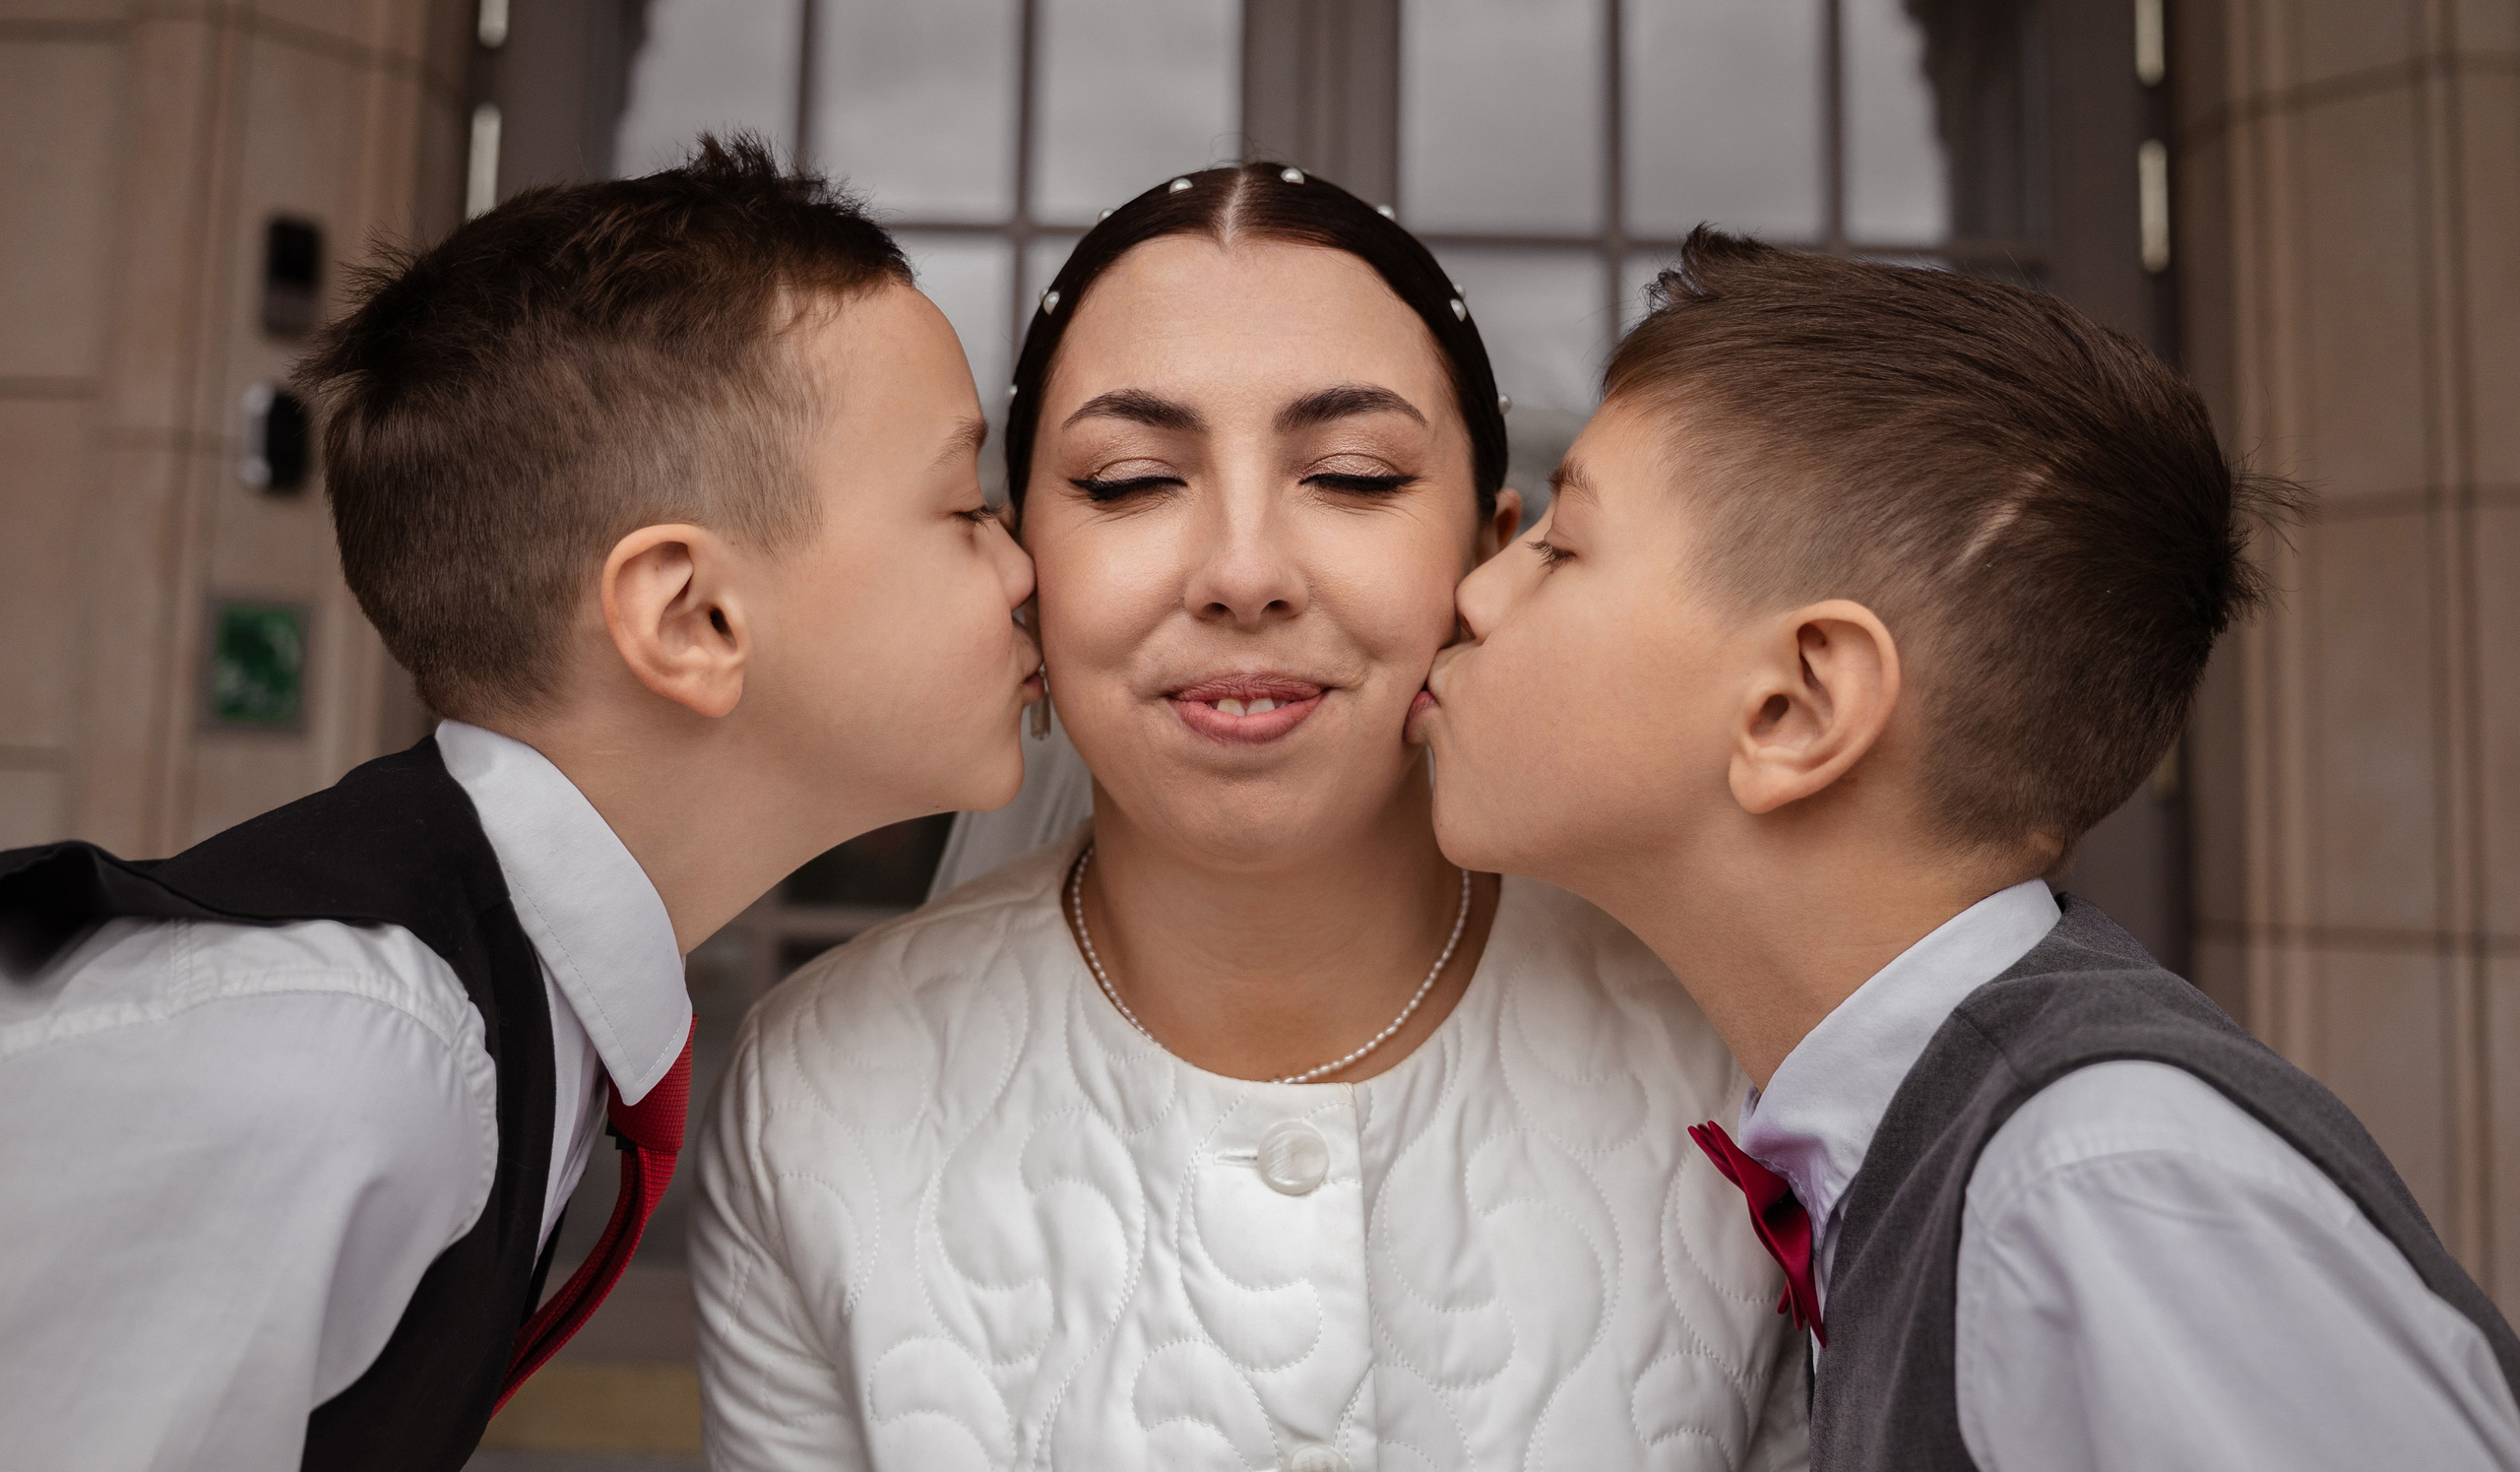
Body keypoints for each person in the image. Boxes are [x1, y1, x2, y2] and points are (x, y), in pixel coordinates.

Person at [692, 164, 1812, 1472]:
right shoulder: (815, 1092)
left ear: (1493, 552)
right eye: (1125, 480)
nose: (1241, 574)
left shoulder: (1733, 1050)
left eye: (1349, 473)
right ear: (1018, 568)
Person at [0, 138, 1040, 1472]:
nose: (1025, 568)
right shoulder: (338, 1058)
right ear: (693, 616)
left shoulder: (472, 1024)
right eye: (964, 506)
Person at [1412, 228, 2520, 1471]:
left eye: (1563, 549)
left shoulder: (2101, 1183)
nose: (1477, 592)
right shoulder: (1949, 1148)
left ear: (1796, 707)